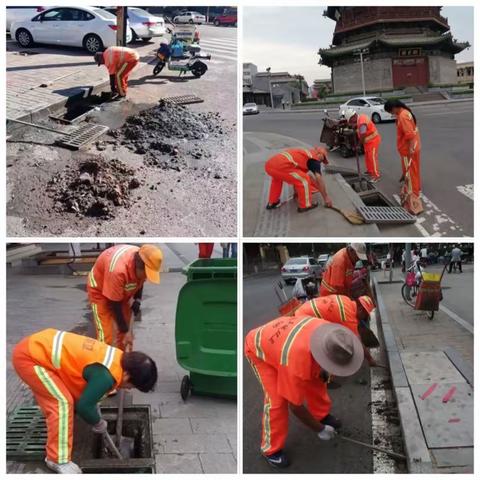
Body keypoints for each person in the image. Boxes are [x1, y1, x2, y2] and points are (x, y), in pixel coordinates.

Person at [12, 329, 158, 474]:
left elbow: (87, 389)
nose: (130, 389)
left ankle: (57, 424)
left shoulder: (117, 358)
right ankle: (57, 459)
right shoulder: (106, 376)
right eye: (133, 386)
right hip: (30, 358)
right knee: (62, 403)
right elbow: (84, 406)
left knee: (61, 398)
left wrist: (94, 404)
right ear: (127, 375)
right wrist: (97, 422)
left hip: (38, 348)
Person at [245, 317, 364, 468]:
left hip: (282, 341)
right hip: (259, 348)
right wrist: (319, 429)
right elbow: (295, 406)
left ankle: (321, 414)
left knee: (318, 378)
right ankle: (270, 449)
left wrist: (323, 371)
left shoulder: (331, 335)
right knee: (277, 401)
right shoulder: (296, 363)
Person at [87, 244, 163, 350]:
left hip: (120, 290)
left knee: (123, 335)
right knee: (106, 336)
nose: (146, 278)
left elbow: (140, 281)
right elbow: (115, 304)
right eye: (146, 274)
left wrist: (137, 300)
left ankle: (120, 359)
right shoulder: (118, 271)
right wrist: (126, 330)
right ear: (138, 267)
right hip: (99, 289)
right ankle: (103, 362)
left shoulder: (143, 257)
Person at [294, 294, 379, 364]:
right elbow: (357, 343)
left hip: (305, 308)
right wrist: (370, 359)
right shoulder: (348, 318)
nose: (364, 318)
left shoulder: (346, 299)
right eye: (365, 315)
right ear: (361, 310)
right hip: (305, 319)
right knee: (320, 348)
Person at [265, 147, 333, 213]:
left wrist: (296, 192)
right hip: (281, 166)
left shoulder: (305, 154)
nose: (321, 162)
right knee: (304, 180)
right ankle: (305, 205)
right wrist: (326, 197)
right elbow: (319, 179)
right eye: (323, 159)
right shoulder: (314, 160)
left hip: (270, 165)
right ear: (320, 154)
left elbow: (296, 177)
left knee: (277, 181)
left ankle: (272, 202)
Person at [384, 99, 422, 199]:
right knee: (414, 170)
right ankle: (416, 188)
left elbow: (409, 135)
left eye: (390, 112)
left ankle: (413, 193)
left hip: (408, 149)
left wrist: (410, 149)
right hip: (414, 146)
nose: (391, 114)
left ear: (394, 108)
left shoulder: (403, 116)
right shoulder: (405, 112)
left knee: (410, 172)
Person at [343, 108, 381, 181]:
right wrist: (354, 126)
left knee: (372, 158)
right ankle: (370, 171)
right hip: (367, 141)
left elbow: (363, 135)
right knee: (367, 157)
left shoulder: (362, 122)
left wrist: (358, 145)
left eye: (350, 121)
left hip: (373, 140)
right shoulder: (360, 118)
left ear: (353, 117)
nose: (350, 122)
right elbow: (359, 128)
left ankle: (376, 176)